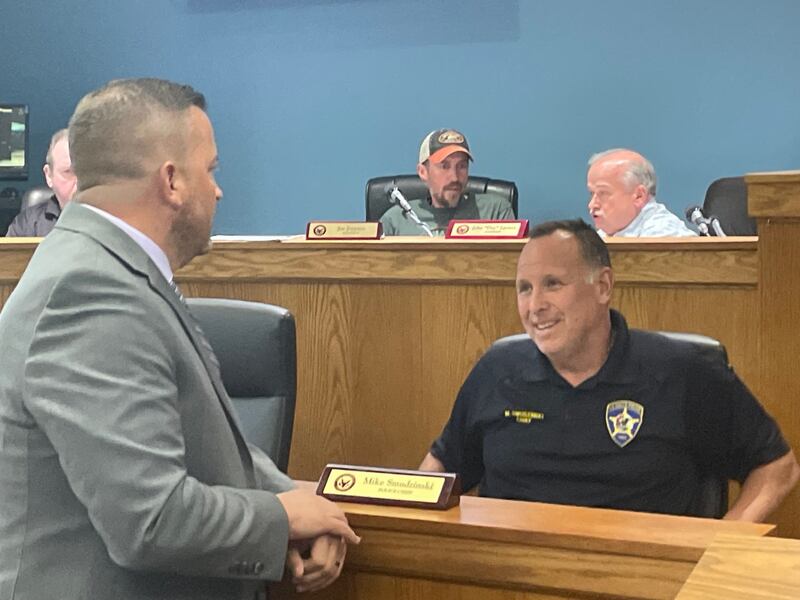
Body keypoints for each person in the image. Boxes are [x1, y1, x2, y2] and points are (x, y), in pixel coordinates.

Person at [0, 78, 359, 600]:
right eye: (209, 170)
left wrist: (300, 505)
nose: (218, 189)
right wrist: (280, 517)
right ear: (171, 181)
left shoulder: (112, 270)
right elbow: (150, 521)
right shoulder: (90, 292)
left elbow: (207, 443)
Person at [419, 219, 799, 520]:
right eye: (524, 288)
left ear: (603, 286)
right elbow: (438, 472)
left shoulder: (682, 372)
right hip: (512, 579)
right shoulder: (496, 370)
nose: (535, 306)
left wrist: (721, 548)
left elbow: (777, 466)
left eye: (552, 284)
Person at [380, 128, 515, 235]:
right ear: (423, 172)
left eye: (462, 166)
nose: (454, 177)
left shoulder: (495, 212)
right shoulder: (396, 220)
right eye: (444, 166)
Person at [587, 148, 696, 237]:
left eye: (603, 194)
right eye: (592, 194)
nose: (592, 205)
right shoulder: (603, 236)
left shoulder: (664, 237)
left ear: (639, 196)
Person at [6, 128, 77, 236]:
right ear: (49, 176)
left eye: (87, 172)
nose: (79, 183)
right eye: (67, 172)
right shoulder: (26, 226)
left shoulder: (110, 221)